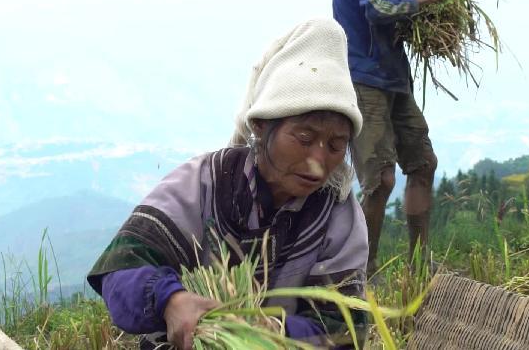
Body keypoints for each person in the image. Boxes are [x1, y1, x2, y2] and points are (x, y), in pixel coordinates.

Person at [87, 19, 370, 350]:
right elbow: (121, 269)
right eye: (304, 138)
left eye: (335, 145)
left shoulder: (336, 214)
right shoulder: (206, 182)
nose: (318, 160)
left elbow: (346, 329)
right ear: (262, 126)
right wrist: (170, 300)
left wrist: (273, 330)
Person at [331, 0, 467, 276]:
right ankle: (363, 269)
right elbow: (378, 7)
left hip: (394, 76)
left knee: (423, 163)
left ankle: (419, 262)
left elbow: (396, 1)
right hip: (364, 77)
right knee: (380, 179)